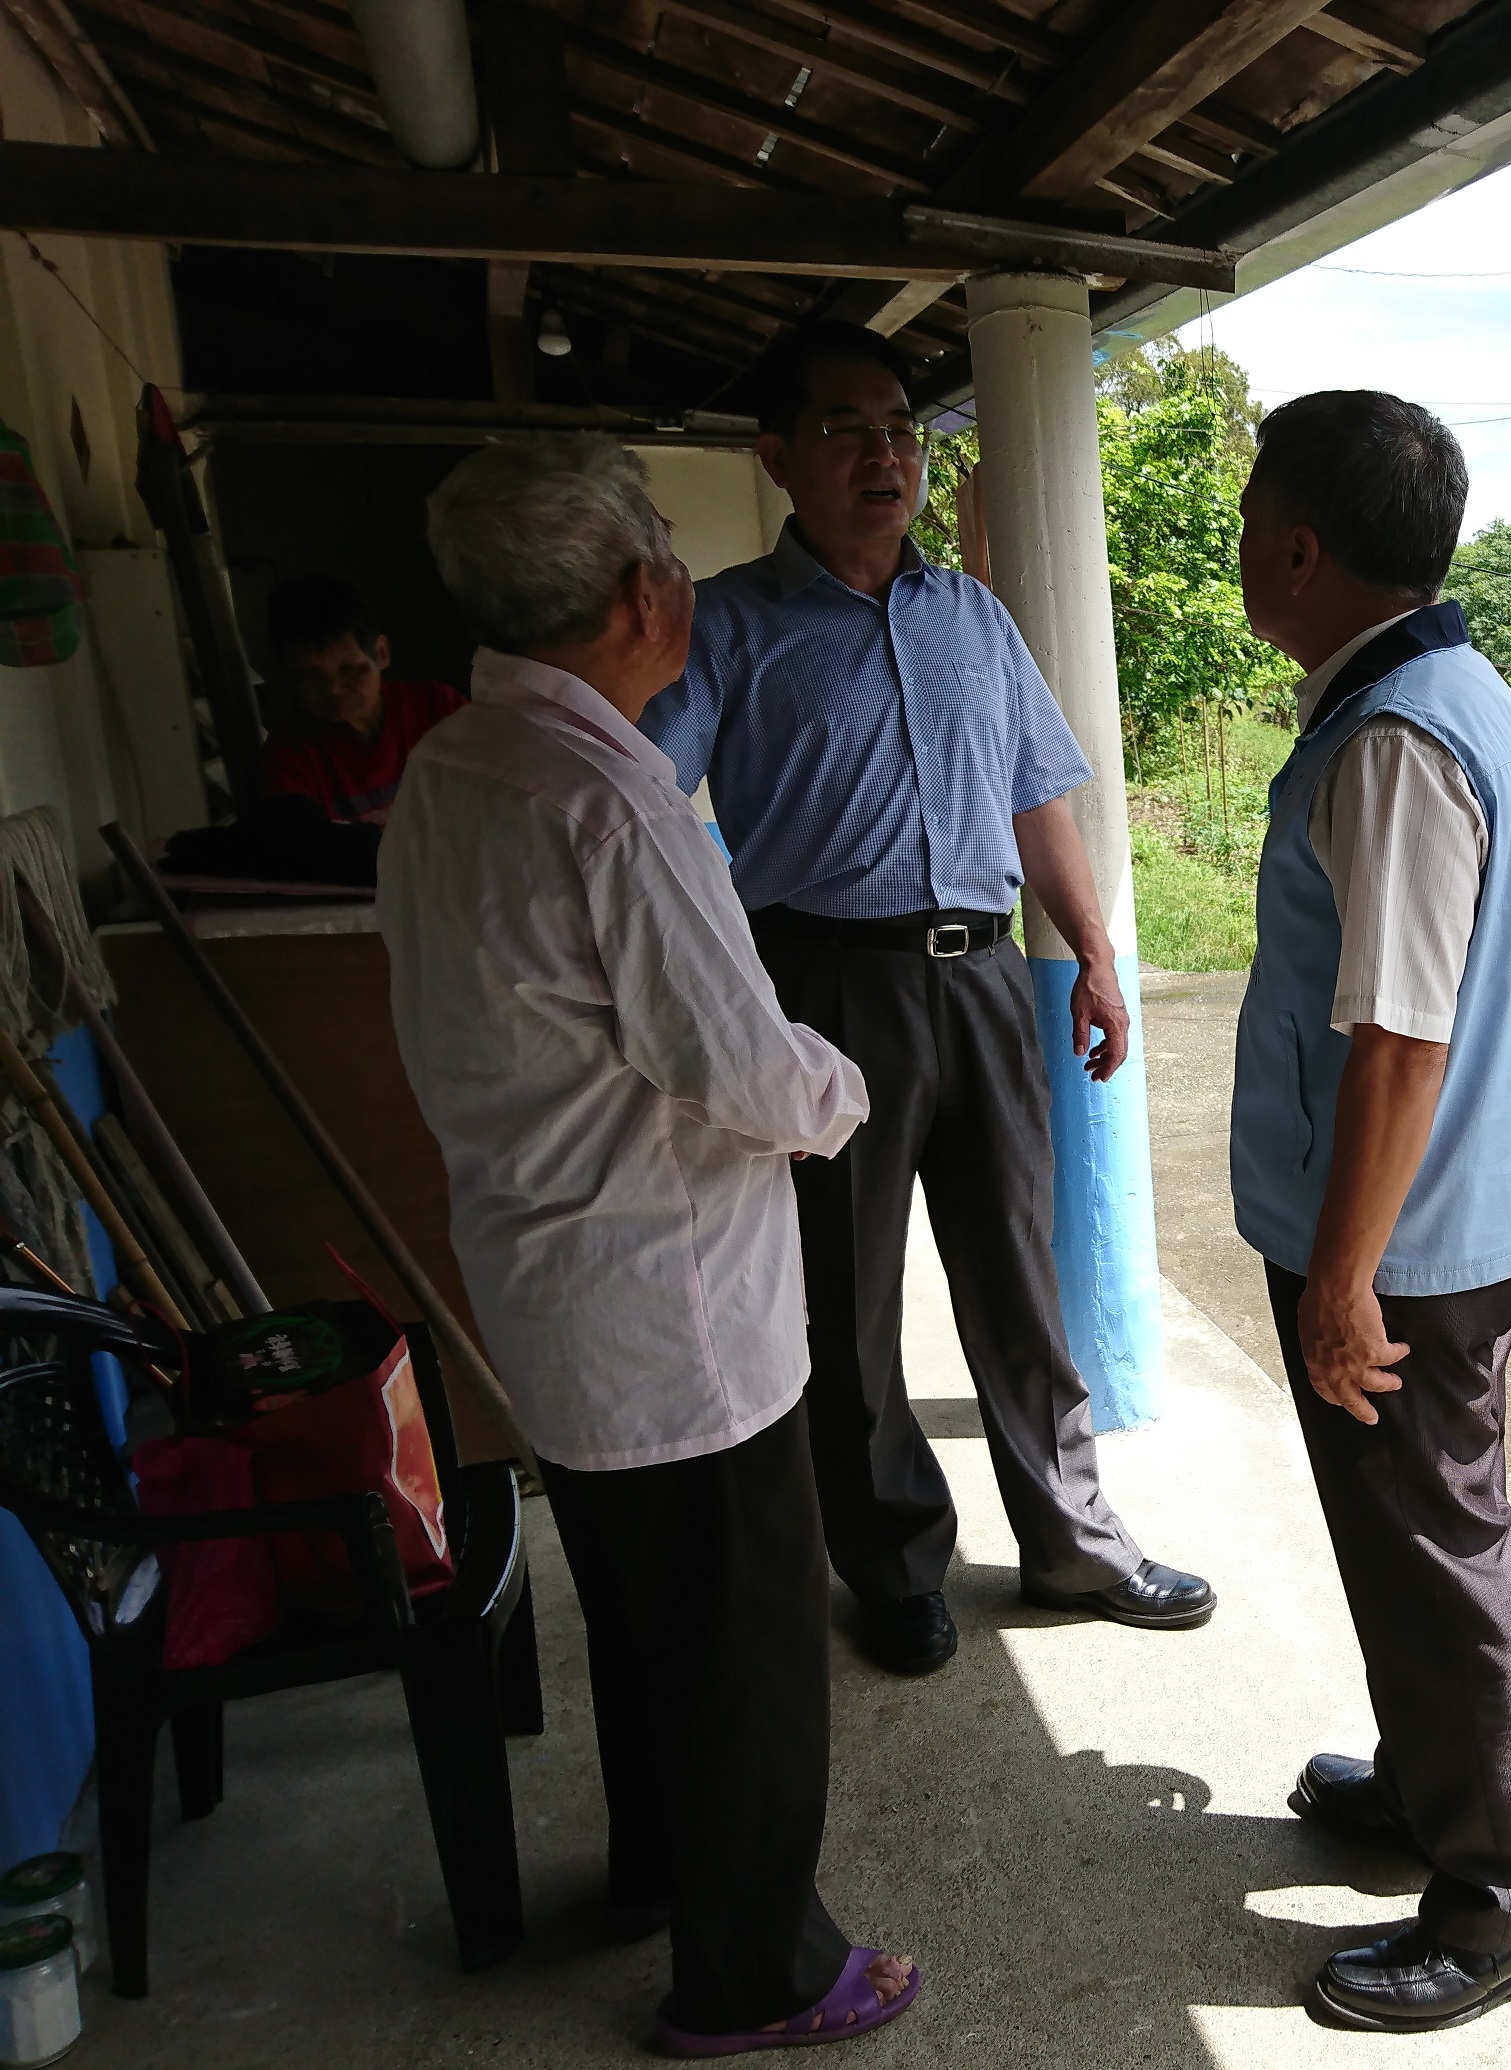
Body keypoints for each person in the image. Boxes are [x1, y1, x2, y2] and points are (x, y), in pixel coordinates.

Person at [380, 435, 916, 2055]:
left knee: (644, 1613)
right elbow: (740, 1064)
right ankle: (752, 1968)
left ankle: (659, 1875)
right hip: (671, 1307)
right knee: (745, 1639)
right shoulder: (605, 796)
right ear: (638, 594)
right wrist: (848, 1091)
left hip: (555, 1285)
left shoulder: (451, 766)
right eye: (672, 555)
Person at [640, 322, 1211, 1679]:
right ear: (777, 455)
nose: (884, 453)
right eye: (846, 427)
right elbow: (645, 804)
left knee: (1020, 1273)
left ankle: (1070, 1534)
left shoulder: (973, 616)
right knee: (845, 1300)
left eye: (899, 426)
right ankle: (892, 1561)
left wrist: (1093, 954)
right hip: (823, 982)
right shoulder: (730, 622)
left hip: (987, 979)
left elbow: (1036, 794)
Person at [1231, 391, 1511, 2034]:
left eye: (1248, 522)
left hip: (1408, 1246)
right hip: (1448, 1222)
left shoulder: (1392, 739)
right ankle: (1439, 1784)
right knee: (1409, 1533)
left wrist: (1343, 1280)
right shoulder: (1452, 691)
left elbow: (1400, 1040)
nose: (1242, 549)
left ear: (1299, 548)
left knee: (1440, 1547)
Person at [260, 573, 464, 822]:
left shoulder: (436, 705)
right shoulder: (291, 756)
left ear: (381, 653)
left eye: (348, 669)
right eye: (310, 676)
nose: (333, 688)